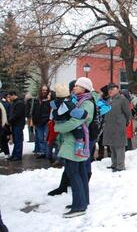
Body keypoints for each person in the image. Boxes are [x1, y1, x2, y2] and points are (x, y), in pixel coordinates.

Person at [54, 77, 94, 218]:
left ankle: (79, 206)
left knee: (74, 173)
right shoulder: (80, 100)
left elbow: (75, 121)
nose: (74, 88)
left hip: (75, 142)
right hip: (77, 142)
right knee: (81, 172)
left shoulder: (87, 103)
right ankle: (83, 201)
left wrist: (58, 127)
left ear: (84, 88)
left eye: (77, 86)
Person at [50, 83, 89, 158]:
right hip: (66, 121)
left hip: (59, 121)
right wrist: (85, 114)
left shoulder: (55, 103)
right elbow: (76, 112)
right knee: (79, 133)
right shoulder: (68, 104)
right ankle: (79, 150)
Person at [102, 83, 131, 172]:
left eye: (112, 89)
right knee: (112, 146)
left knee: (119, 146)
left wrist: (125, 123)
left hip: (119, 126)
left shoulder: (122, 99)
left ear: (117, 89)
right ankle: (114, 164)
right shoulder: (109, 100)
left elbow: (128, 113)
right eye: (109, 90)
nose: (110, 91)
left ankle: (120, 166)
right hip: (109, 126)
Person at [31, 85, 51, 158]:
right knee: (40, 138)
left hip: (46, 122)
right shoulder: (37, 100)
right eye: (43, 90)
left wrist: (48, 100)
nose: (44, 91)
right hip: (38, 122)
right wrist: (33, 121)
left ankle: (47, 152)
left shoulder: (50, 100)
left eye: (46, 90)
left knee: (46, 138)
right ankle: (42, 152)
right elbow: (33, 111)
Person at [7, 91, 26, 161]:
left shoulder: (19, 103)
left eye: (10, 96)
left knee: (18, 140)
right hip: (15, 124)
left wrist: (9, 120)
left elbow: (17, 114)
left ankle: (18, 155)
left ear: (13, 95)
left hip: (18, 124)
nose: (9, 98)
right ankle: (14, 154)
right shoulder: (15, 103)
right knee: (16, 140)